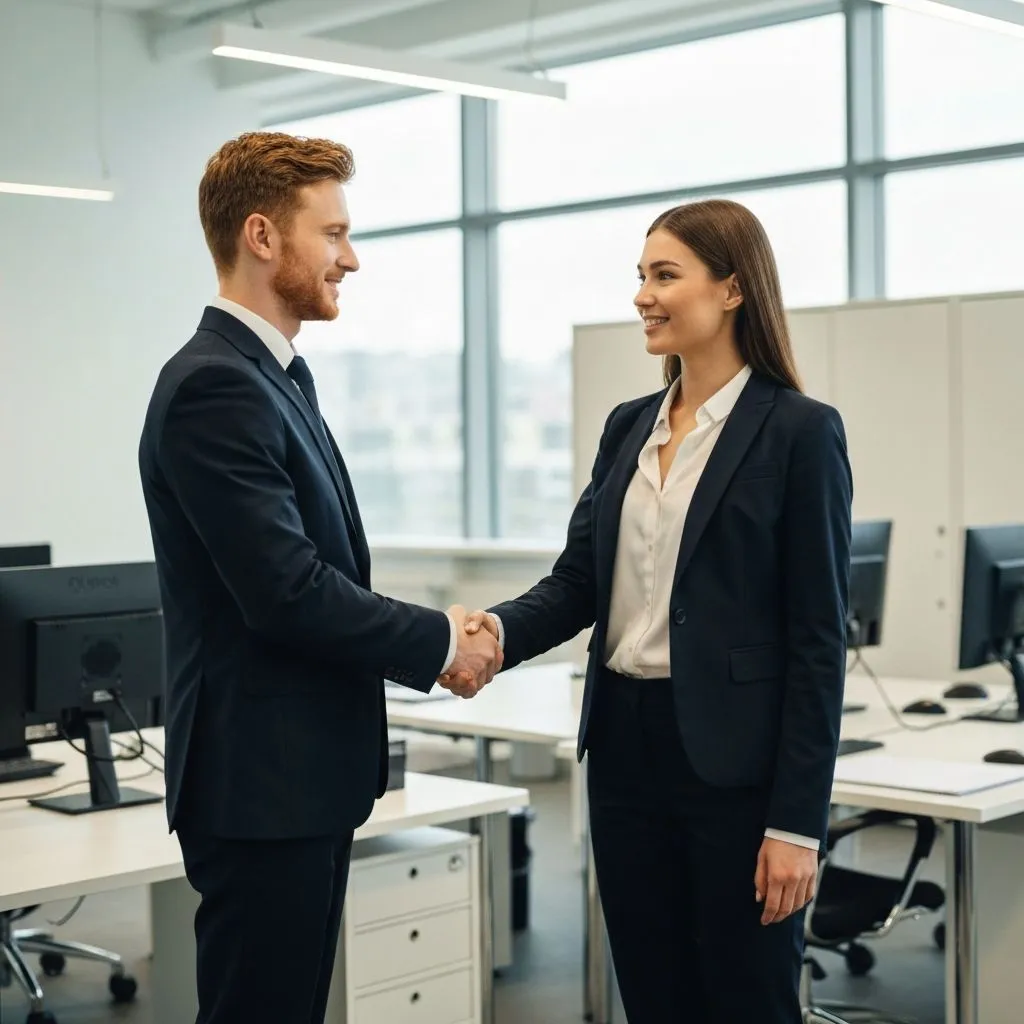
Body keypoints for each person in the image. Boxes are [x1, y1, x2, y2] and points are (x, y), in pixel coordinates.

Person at [137, 131, 501, 1024]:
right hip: (261, 785)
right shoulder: (214, 387)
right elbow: (288, 590)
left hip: (297, 779)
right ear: (263, 237)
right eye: (332, 234)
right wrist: (444, 641)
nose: (352, 258)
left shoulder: (276, 379)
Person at [459, 199, 853, 1022]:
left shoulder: (799, 433)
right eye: (641, 275)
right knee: (653, 990)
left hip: (735, 764)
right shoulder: (629, 427)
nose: (643, 294)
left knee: (746, 997)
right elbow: (577, 582)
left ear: (734, 288)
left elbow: (819, 643)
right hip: (626, 751)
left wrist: (797, 825)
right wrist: (494, 632)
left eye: (664, 275)